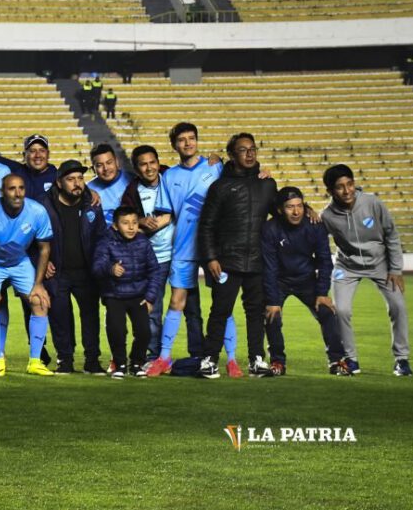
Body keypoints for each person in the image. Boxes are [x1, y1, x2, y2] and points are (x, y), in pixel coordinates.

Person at [146, 123, 239, 378]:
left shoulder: (215, 167)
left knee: (223, 303)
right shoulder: (170, 177)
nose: (188, 143)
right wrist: (143, 225)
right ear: (174, 145)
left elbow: (239, 182)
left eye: (192, 138)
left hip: (215, 248)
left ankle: (232, 360)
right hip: (185, 245)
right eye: (182, 140)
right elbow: (166, 214)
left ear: (197, 141)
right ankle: (164, 358)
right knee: (177, 301)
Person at [197, 133, 278, 379]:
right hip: (227, 261)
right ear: (232, 155)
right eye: (243, 150)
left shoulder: (268, 184)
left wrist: (305, 207)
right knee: (220, 311)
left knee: (256, 313)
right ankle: (209, 360)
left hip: (257, 260)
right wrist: (211, 258)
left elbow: (282, 211)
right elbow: (206, 225)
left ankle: (257, 359)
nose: (250, 153)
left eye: (252, 149)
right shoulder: (220, 186)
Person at [320, 164, 412, 376]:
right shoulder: (327, 216)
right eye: (340, 187)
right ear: (331, 191)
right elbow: (314, 238)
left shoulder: (373, 202)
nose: (347, 191)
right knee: (341, 310)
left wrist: (396, 269)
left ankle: (402, 360)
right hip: (347, 267)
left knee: (398, 306)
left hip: (381, 265)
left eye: (350, 184)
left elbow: (391, 234)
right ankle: (350, 359)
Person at [261, 187, 350, 377]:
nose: (296, 211)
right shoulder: (270, 229)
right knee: (271, 315)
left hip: (306, 280)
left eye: (299, 206)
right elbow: (269, 267)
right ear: (280, 210)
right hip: (279, 281)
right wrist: (273, 300)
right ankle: (277, 362)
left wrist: (322, 292)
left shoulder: (315, 225)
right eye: (290, 207)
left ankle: (337, 361)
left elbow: (325, 260)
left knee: (327, 312)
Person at [0, 174, 54, 377]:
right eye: (12, 189)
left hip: (19, 261)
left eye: (21, 188)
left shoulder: (37, 211)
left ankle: (35, 362)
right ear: (2, 192)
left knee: (40, 301)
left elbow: (45, 248)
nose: (17, 193)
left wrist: (39, 284)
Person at [37, 160, 107, 374]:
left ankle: (92, 360)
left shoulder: (92, 203)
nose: (77, 183)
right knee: (60, 316)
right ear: (59, 183)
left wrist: (98, 263)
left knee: (90, 316)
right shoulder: (43, 206)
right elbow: (32, 238)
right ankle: (65, 359)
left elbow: (102, 236)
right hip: (57, 272)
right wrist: (42, 261)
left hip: (87, 271)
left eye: (80, 178)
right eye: (70, 179)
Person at [93, 206, 163, 378]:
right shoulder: (106, 241)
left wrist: (150, 298)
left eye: (134, 222)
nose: (131, 227)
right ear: (116, 226)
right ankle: (120, 364)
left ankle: (137, 363)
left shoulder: (143, 242)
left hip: (139, 295)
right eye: (125, 223)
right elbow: (96, 267)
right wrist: (111, 269)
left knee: (144, 331)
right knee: (117, 330)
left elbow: (154, 270)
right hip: (114, 295)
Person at [120, 145, 173, 364]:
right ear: (136, 168)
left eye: (152, 162)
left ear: (158, 162)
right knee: (152, 309)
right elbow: (125, 222)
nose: (149, 167)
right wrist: (141, 221)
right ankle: (153, 355)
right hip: (154, 258)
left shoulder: (171, 179)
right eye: (143, 164)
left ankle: (198, 354)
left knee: (190, 308)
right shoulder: (132, 191)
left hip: (179, 254)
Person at [87, 143, 133, 226]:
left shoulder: (132, 180)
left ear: (117, 162)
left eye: (109, 162)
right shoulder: (89, 189)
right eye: (99, 165)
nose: (105, 168)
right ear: (93, 169)